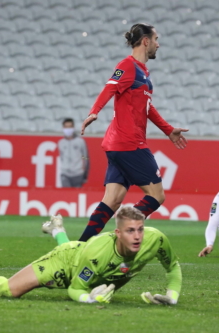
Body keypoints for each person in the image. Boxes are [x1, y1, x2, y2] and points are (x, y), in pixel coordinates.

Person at [78, 23, 189, 242]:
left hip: (117, 146)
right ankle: (119, 239)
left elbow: (148, 107)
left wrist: (168, 130)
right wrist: (94, 112)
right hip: (130, 144)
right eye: (156, 39)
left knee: (113, 199)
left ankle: (79, 248)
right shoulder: (127, 66)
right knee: (157, 196)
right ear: (146, 41)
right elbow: (110, 87)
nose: (158, 44)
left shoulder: (143, 72)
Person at [0, 207, 182, 305]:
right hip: (66, 262)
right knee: (10, 291)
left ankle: (56, 229)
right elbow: (75, 288)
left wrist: (172, 296)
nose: (138, 236)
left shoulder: (156, 239)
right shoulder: (98, 252)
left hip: (85, 255)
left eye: (140, 229)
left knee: (81, 249)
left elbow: (172, 267)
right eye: (130, 231)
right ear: (117, 233)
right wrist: (88, 299)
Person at [57, 118, 89, 188]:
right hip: (65, 173)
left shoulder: (80, 142)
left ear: (73, 128)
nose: (68, 129)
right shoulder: (61, 143)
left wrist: (85, 173)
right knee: (66, 196)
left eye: (70, 127)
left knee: (75, 196)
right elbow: (62, 157)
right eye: (66, 127)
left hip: (77, 173)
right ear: (63, 128)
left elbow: (85, 156)